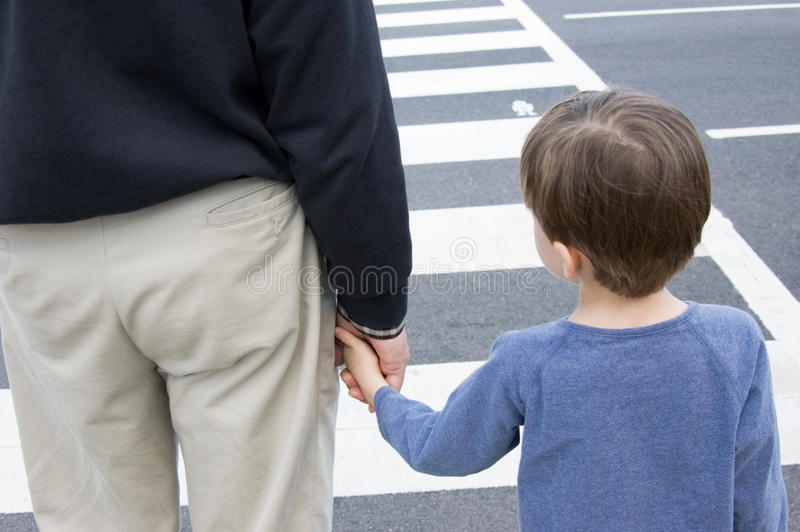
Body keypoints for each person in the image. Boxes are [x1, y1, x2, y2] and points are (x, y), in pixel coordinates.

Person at [0, 1, 410, 530]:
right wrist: (373, 299)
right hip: (223, 229)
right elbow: (331, 85)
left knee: (93, 516)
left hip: (41, 239)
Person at [337, 90, 789, 531]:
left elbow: (442, 448)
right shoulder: (734, 340)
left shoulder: (529, 359)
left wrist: (379, 390)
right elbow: (756, 493)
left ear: (567, 257)